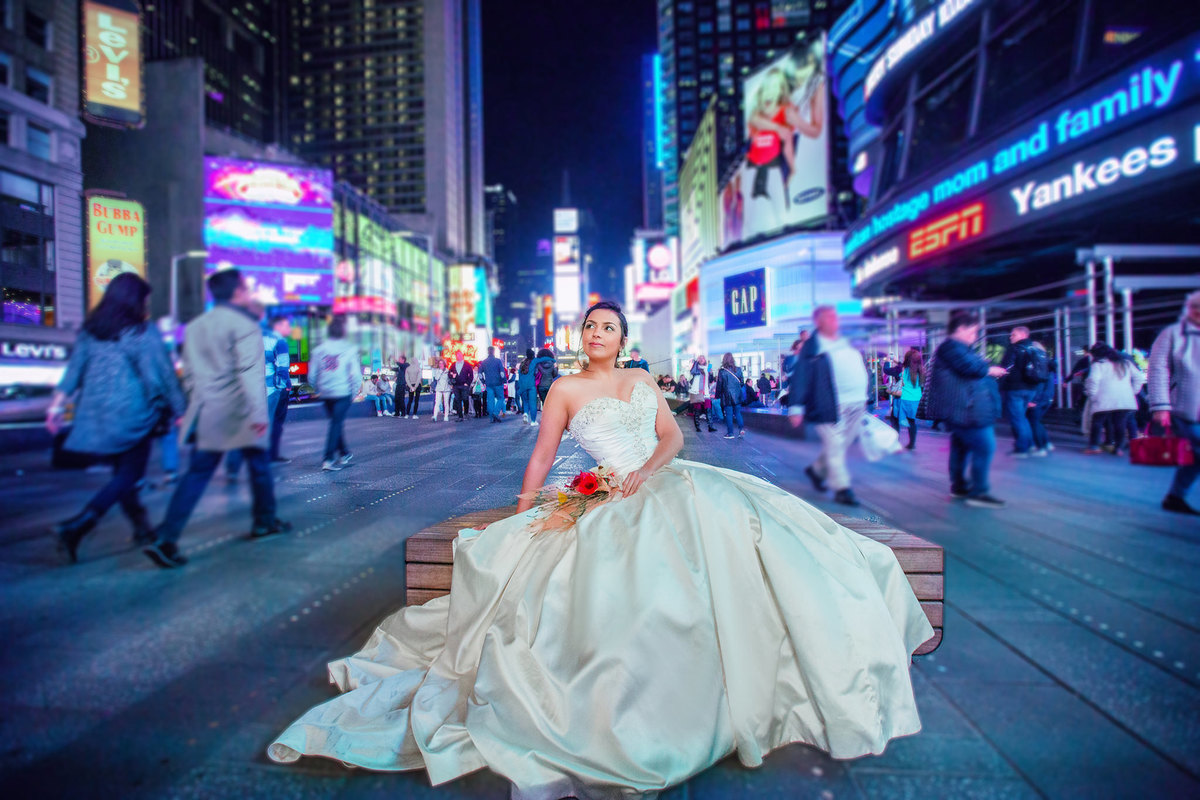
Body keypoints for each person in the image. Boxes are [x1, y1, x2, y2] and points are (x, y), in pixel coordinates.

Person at [268, 299, 934, 797]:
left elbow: (671, 439)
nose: (598, 335)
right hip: (603, 493)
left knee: (759, 530)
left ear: (622, 338)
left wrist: (650, 468)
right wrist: (527, 511)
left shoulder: (642, 382)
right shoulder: (564, 388)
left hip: (665, 480)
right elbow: (542, 457)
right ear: (580, 338)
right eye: (590, 327)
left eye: (609, 328)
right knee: (623, 577)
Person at [143, 269, 292, 568]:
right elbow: (251, 375)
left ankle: (166, 537)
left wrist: (190, 409)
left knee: (198, 473)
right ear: (238, 292)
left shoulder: (197, 326)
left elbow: (189, 374)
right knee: (259, 465)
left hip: (209, 409)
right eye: (245, 289)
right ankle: (264, 522)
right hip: (240, 411)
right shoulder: (245, 325)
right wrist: (259, 414)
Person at [46, 273, 187, 563]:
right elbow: (162, 375)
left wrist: (56, 407)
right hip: (132, 414)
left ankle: (142, 529)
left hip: (96, 415)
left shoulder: (91, 330)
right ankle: (78, 525)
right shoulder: (142, 331)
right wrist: (181, 409)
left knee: (123, 475)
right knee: (130, 474)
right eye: (144, 299)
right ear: (135, 300)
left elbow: (74, 372)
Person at [787, 306, 869, 506]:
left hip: (857, 401)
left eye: (835, 317)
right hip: (829, 403)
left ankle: (816, 471)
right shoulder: (813, 345)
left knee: (842, 444)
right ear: (819, 321)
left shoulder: (843, 341)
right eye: (829, 317)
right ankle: (842, 488)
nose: (835, 320)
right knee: (835, 444)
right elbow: (801, 375)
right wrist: (795, 407)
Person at [927, 311, 1007, 509]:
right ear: (960, 328)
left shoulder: (958, 348)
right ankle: (978, 492)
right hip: (967, 409)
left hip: (964, 408)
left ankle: (959, 486)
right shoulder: (951, 347)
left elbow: (971, 366)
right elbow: (971, 367)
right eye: (972, 331)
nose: (974, 336)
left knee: (961, 447)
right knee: (984, 446)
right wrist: (990, 369)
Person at [1148, 291, 1200, 515]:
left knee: (1197, 456)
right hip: (1187, 408)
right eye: (1195, 307)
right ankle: (1175, 496)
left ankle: (1175, 496)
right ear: (1187, 309)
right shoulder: (1172, 334)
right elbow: (1158, 368)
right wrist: (1160, 405)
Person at [225, 308, 293, 479]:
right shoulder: (277, 340)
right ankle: (262, 470)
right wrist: (284, 386)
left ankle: (232, 468)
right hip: (268, 390)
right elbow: (283, 368)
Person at [311, 315, 360, 471]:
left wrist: (317, 388)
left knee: (335, 422)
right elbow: (356, 375)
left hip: (326, 393)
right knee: (336, 423)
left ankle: (344, 453)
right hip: (342, 391)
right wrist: (353, 393)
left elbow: (312, 375)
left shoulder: (318, 350)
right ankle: (328, 458)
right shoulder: (350, 349)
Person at [1083, 343, 1144, 456]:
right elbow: (1139, 378)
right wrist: (1133, 392)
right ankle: (1118, 448)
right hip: (1124, 399)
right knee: (1120, 423)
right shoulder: (1125, 363)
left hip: (1103, 399)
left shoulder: (1099, 365)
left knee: (1097, 422)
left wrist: (1092, 395)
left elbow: (1093, 380)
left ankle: (1094, 446)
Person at [999, 326, 1046, 457]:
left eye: (1013, 335)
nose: (1010, 337)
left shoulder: (1015, 349)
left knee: (1017, 419)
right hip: (1031, 389)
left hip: (1015, 389)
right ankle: (1030, 445)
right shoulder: (1035, 349)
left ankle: (1022, 448)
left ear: (1022, 335)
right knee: (1022, 418)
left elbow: (1006, 368)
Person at [267, 316, 292, 463]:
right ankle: (272, 455)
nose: (289, 329)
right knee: (276, 421)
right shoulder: (280, 342)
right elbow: (283, 367)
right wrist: (287, 384)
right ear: (279, 325)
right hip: (276, 387)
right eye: (287, 325)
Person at [1026, 341, 1055, 456]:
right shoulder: (1047, 361)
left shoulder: (1037, 363)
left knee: (1033, 422)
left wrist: (1034, 400)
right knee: (1037, 421)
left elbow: (1039, 385)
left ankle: (1041, 448)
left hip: (1039, 399)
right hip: (1047, 398)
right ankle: (1047, 443)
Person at [894, 350, 925, 451]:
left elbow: (899, 381)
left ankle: (895, 442)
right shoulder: (921, 370)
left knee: (895, 419)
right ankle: (912, 444)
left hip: (905, 400)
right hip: (916, 400)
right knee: (912, 422)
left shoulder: (904, 371)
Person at [717, 353, 746, 439]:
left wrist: (717, 395)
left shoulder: (722, 371)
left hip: (727, 396)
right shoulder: (739, 370)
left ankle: (730, 433)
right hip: (737, 396)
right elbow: (742, 382)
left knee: (729, 415)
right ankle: (741, 430)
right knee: (738, 413)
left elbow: (719, 385)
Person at [688, 356, 718, 433]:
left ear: (705, 360)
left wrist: (711, 373)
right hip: (697, 391)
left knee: (708, 408)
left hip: (706, 392)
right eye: (700, 358)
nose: (701, 359)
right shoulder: (696, 367)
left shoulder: (707, 368)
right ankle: (697, 426)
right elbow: (692, 372)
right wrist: (695, 362)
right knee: (697, 409)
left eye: (703, 358)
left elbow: (711, 380)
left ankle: (710, 426)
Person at [479, 346, 508, 423]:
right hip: (498, 383)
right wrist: (504, 381)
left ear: (488, 351)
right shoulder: (498, 361)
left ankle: (491, 417)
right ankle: (496, 412)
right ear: (494, 351)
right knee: (501, 398)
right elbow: (502, 372)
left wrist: (483, 381)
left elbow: (480, 373)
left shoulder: (484, 362)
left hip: (488, 383)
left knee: (490, 400)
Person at [517, 348, 539, 426]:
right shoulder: (534, 362)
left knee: (525, 402)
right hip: (531, 386)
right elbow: (536, 373)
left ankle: (525, 413)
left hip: (523, 386)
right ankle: (533, 421)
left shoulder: (522, 363)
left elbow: (519, 376)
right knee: (532, 403)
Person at [449, 352, 474, 421]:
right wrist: (452, 376)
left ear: (462, 356)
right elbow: (449, 373)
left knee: (465, 398)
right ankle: (460, 416)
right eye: (457, 355)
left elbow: (471, 375)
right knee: (457, 400)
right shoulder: (453, 365)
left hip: (464, 385)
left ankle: (466, 413)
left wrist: (468, 383)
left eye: (460, 355)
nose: (458, 357)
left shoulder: (467, 364)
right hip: (456, 385)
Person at [431, 358, 452, 422]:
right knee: (437, 402)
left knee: (446, 403)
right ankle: (435, 416)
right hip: (439, 388)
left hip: (446, 388)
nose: (440, 365)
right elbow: (436, 378)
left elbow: (449, 379)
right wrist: (440, 371)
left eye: (442, 363)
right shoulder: (437, 371)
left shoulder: (448, 371)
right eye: (439, 363)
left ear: (444, 364)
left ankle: (446, 416)